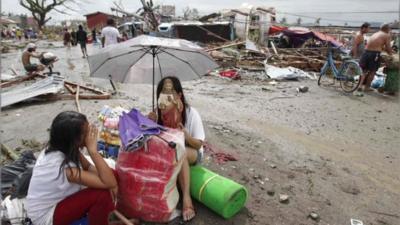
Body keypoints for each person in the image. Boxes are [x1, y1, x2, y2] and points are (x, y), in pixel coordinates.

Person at [26, 111, 118, 225]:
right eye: (86, 133)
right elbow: (108, 183)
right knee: (102, 195)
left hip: (59, 201)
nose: (90, 134)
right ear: (75, 140)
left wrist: (111, 181)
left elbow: (88, 167)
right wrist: (93, 152)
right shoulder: (64, 169)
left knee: (112, 174)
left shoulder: (65, 146)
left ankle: (112, 211)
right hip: (45, 216)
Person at [149, 76, 205, 221]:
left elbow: (199, 144)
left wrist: (186, 136)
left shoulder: (191, 113)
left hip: (191, 152)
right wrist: (148, 123)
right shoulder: (158, 111)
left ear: (179, 95)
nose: (167, 95)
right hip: (168, 154)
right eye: (163, 91)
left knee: (180, 151)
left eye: (171, 91)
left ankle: (186, 199)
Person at [358, 23, 393, 92]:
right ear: (387, 29)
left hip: (366, 52)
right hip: (374, 54)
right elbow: (388, 48)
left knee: (364, 71)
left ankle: (360, 86)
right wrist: (391, 55)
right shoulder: (386, 35)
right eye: (389, 28)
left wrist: (383, 49)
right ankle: (367, 87)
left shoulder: (375, 34)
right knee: (372, 71)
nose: (390, 30)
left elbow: (378, 45)